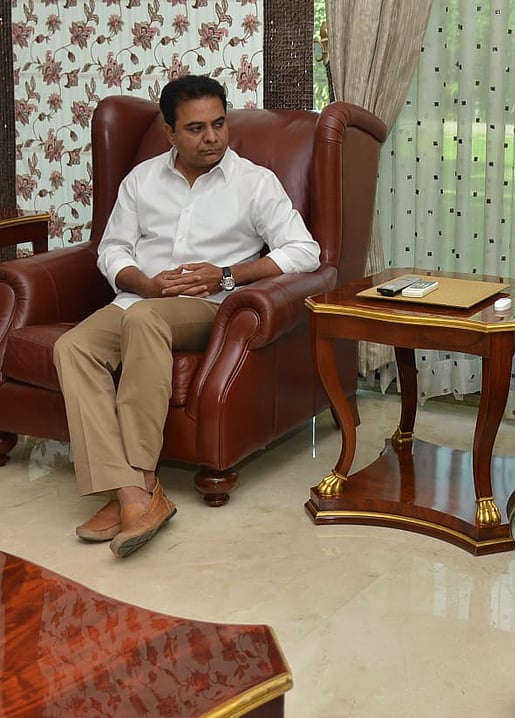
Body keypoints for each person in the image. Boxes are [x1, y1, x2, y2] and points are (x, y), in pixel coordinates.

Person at [52, 75, 320, 558]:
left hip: (208, 307)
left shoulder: (254, 182)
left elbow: (305, 252)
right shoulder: (141, 180)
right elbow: (111, 248)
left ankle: (140, 481)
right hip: (139, 299)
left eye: (219, 124)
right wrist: (143, 283)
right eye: (196, 129)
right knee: (72, 347)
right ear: (169, 132)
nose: (212, 137)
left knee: (145, 322)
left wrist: (227, 275)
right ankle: (133, 495)